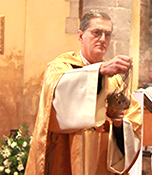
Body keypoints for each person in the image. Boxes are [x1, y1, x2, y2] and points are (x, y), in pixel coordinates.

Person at [25, 10, 142, 175]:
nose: (103, 39)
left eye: (107, 35)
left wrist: (119, 124)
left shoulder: (115, 79)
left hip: (102, 164)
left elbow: (133, 117)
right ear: (80, 36)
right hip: (66, 158)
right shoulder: (59, 67)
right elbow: (57, 98)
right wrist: (99, 71)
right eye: (96, 33)